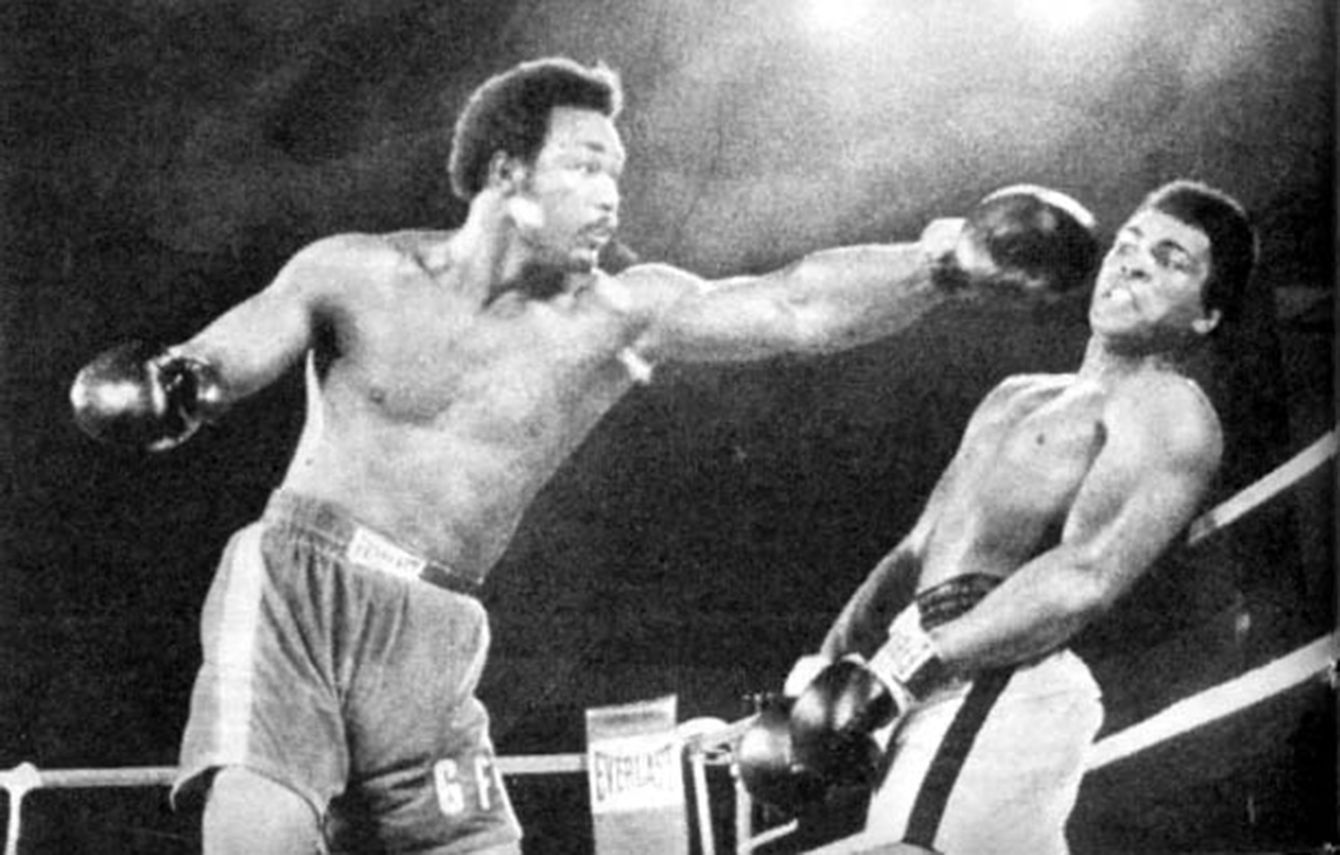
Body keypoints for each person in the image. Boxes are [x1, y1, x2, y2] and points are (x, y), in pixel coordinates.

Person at [68, 57, 1097, 854]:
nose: (610, 196)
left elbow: (790, 304)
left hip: (438, 630)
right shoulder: (357, 273)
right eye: (585, 166)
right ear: (506, 173)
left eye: (618, 173)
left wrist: (940, 263)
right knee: (264, 831)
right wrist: (175, 383)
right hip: (303, 578)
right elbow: (226, 356)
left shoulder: (615, 316)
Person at [748, 179, 1257, 855]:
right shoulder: (1013, 396)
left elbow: (1085, 575)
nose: (1133, 263)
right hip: (933, 670)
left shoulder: (1164, 405)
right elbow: (914, 552)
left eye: (1170, 260)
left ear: (1206, 315)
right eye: (1129, 245)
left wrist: (904, 668)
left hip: (1008, 674)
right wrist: (818, 673)